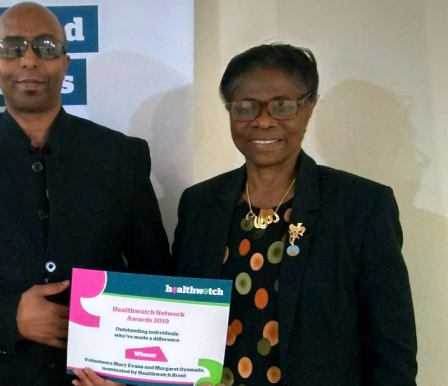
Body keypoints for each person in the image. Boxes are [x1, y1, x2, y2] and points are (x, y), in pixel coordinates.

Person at [0, 2, 171, 386]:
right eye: (13, 47)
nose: (29, 59)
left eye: (46, 47)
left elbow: (155, 276)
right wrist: (7, 317)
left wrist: (134, 373)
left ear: (65, 62)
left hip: (100, 377)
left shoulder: (121, 156)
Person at [173, 43, 418, 386]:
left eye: (282, 106)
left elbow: (392, 350)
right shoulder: (200, 203)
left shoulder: (361, 206)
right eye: (245, 108)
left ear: (309, 107)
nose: (262, 121)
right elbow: (176, 318)